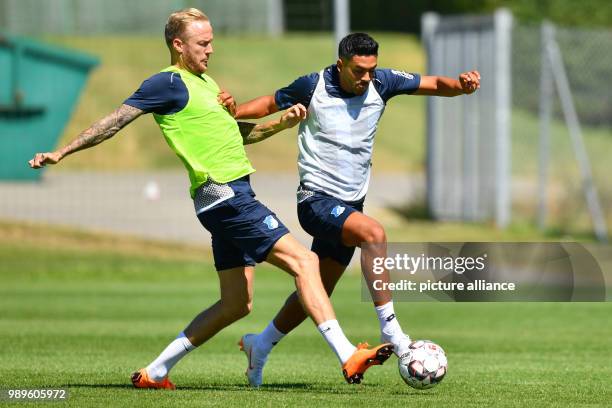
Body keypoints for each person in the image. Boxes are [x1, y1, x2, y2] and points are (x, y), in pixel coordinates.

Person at [28, 11, 394, 388]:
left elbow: (237, 136)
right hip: (226, 197)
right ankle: (348, 355)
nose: (211, 50)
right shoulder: (166, 83)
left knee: (236, 303)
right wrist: (63, 152)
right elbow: (114, 121)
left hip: (224, 200)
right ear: (178, 45)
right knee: (306, 262)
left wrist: (280, 125)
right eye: (203, 44)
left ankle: (155, 372)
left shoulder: (205, 84)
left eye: (211, 42)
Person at [234, 32, 480, 387]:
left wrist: (460, 85)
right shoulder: (312, 85)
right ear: (341, 65)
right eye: (358, 70)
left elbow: (434, 83)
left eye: (371, 69)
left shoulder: (384, 82)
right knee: (374, 233)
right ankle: (393, 331)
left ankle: (261, 343)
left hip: (349, 204)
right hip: (315, 201)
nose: (366, 77)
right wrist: (231, 111)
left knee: (316, 291)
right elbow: (267, 104)